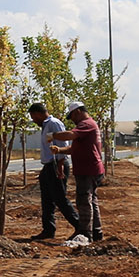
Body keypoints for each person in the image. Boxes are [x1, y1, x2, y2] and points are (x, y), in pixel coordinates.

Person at [48, 102, 105, 244]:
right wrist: (60, 150)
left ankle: (85, 233)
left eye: (72, 115)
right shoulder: (88, 126)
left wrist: (52, 135)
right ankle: (96, 231)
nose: (72, 119)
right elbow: (75, 148)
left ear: (78, 112)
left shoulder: (86, 124)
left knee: (84, 201)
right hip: (90, 169)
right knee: (91, 201)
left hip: (88, 170)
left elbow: (70, 135)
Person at [27, 102, 82, 242]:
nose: (33, 120)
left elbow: (63, 145)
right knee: (46, 199)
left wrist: (60, 165)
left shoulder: (54, 123)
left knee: (60, 198)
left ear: (38, 113)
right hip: (48, 166)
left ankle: (80, 227)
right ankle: (48, 230)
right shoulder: (46, 125)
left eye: (33, 117)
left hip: (56, 164)